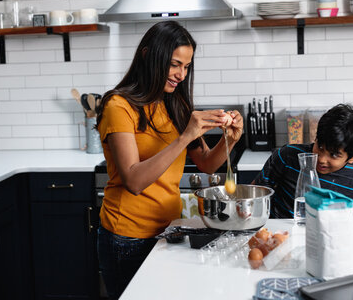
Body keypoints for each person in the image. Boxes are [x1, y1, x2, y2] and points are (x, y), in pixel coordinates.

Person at [95, 20, 243, 300]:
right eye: (175, 64)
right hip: (126, 238)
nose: (181, 74)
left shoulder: (175, 103)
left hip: (169, 231)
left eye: (186, 67)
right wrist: (184, 137)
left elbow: (208, 165)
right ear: (148, 55)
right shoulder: (118, 105)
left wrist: (231, 138)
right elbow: (134, 180)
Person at [253, 103, 353, 219]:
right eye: (320, 147)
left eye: (334, 155)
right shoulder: (287, 155)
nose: (321, 159)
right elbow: (257, 191)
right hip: (282, 233)